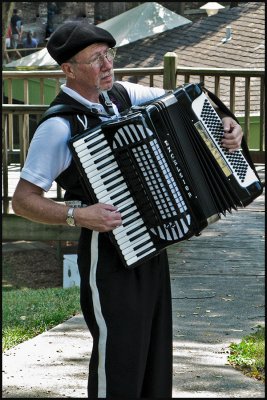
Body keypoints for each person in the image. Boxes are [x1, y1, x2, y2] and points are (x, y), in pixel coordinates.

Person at [12, 21, 243, 398]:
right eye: (95, 59)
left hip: (149, 245)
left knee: (153, 354)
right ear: (68, 70)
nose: (107, 66)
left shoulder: (121, 95)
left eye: (109, 55)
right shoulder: (58, 126)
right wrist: (76, 215)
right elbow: (23, 201)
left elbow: (187, 101)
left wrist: (226, 121)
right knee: (118, 360)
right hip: (107, 255)